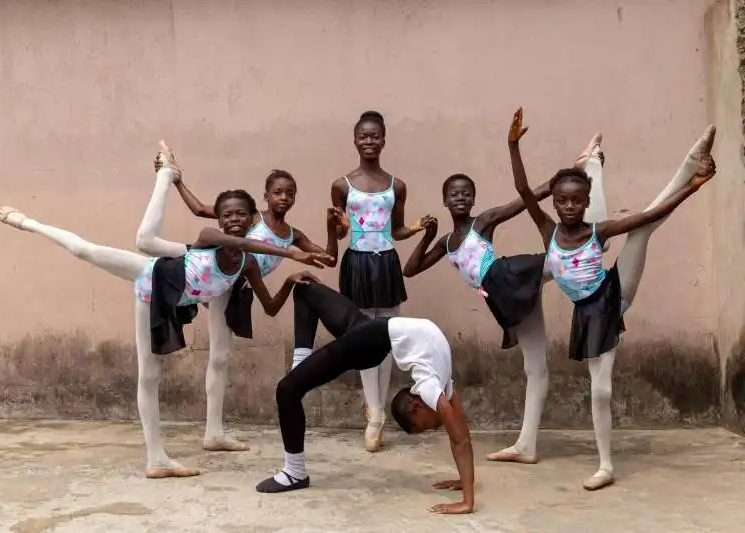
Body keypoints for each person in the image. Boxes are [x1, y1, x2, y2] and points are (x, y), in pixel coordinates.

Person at [0, 145, 330, 479]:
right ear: (223, 218)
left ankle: (206, 437)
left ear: (251, 215)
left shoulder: (250, 265)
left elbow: (270, 307)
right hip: (153, 277)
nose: (234, 220)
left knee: (206, 359)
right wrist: (290, 255)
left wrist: (292, 279)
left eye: (241, 214)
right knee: (90, 251)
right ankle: (29, 221)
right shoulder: (211, 235)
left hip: (187, 294)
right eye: (227, 214)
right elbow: (235, 240)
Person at [509, 107, 717, 490]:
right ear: (554, 203)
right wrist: (513, 146)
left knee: (643, 229)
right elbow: (523, 192)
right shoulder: (547, 231)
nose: (569, 207)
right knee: (600, 389)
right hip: (587, 316)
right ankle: (593, 162)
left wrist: (694, 187)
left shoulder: (598, 228)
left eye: (576, 201)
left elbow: (652, 214)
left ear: (584, 204)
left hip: (614, 293)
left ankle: (689, 163)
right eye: (563, 201)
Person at [404, 126, 612, 466]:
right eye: (454, 194)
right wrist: (426, 236)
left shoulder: (482, 221)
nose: (460, 198)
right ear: (444, 201)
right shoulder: (445, 242)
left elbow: (526, 199)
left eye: (466, 193)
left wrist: (567, 177)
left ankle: (592, 170)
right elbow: (410, 270)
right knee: (535, 367)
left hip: (510, 275)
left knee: (572, 252)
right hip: (503, 297)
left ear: (473, 200)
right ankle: (526, 445)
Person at [137, 147, 342, 452]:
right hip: (208, 262)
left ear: (295, 198)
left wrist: (332, 230)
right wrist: (178, 181)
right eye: (277, 192)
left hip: (232, 287)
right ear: (266, 197)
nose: (283, 198)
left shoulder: (293, 235)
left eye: (289, 193)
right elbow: (202, 211)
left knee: (219, 357)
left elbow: (328, 259)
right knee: (149, 246)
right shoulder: (251, 217)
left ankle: (214, 433)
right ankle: (167, 173)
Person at [254, 280, 475, 515]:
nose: (434, 428)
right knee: (304, 288)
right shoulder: (432, 386)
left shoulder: (439, 382)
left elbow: (461, 434)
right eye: (425, 427)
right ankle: (296, 472)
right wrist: (467, 501)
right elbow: (460, 439)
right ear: (416, 407)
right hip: (366, 340)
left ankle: (294, 469)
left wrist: (466, 484)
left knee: (288, 389)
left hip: (370, 339)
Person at [328, 110, 433, 453]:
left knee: (388, 336)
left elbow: (396, 230)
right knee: (361, 338)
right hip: (357, 261)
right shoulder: (342, 185)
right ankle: (373, 412)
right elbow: (343, 231)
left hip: (386, 261)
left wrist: (417, 227)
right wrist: (337, 225)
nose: (369, 141)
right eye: (363, 136)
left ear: (384, 140)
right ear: (355, 140)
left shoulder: (396, 185)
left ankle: (379, 412)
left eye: (375, 136)